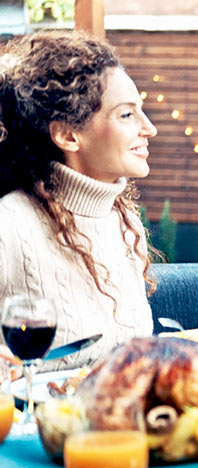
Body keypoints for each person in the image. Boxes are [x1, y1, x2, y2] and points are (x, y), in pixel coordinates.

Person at [0, 32, 157, 372]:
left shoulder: (127, 226)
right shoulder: (10, 224)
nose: (150, 128)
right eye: (126, 115)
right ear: (68, 135)